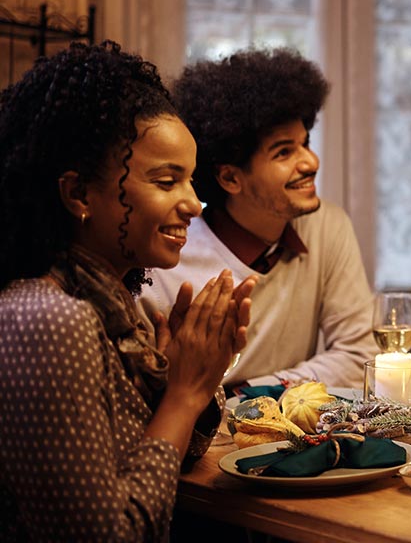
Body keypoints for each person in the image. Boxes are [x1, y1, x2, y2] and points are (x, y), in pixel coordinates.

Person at [0, 42, 252, 541]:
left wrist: (184, 377)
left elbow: (164, 465)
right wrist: (182, 395)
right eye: (166, 180)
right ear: (77, 195)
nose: (194, 205)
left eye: (190, 180)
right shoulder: (47, 319)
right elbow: (111, 536)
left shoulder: (117, 309)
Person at [140, 48, 374, 390]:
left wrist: (250, 392)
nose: (310, 162)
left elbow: (358, 356)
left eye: (305, 143)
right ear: (231, 178)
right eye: (284, 152)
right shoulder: (164, 264)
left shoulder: (327, 226)